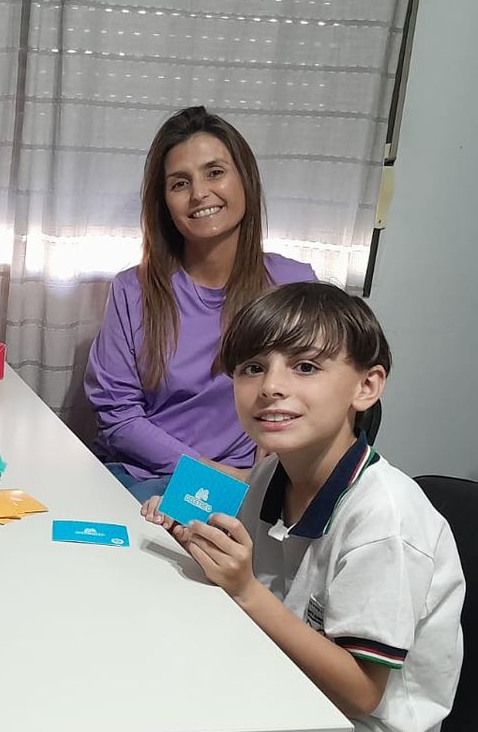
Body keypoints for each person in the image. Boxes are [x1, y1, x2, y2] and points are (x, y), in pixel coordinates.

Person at [142, 282, 464, 732]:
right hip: (276, 701)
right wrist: (195, 534)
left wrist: (244, 591)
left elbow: (362, 694)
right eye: (251, 367)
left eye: (307, 366)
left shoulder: (384, 522)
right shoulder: (274, 472)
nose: (271, 387)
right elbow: (254, 563)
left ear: (366, 386)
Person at [85, 107, 318, 499]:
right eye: (179, 183)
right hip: (145, 477)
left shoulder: (293, 285)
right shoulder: (133, 290)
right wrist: (213, 476)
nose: (199, 194)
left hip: (253, 484)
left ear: (245, 179)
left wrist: (263, 474)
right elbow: (119, 418)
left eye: (215, 172)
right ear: (164, 203)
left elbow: (313, 394)